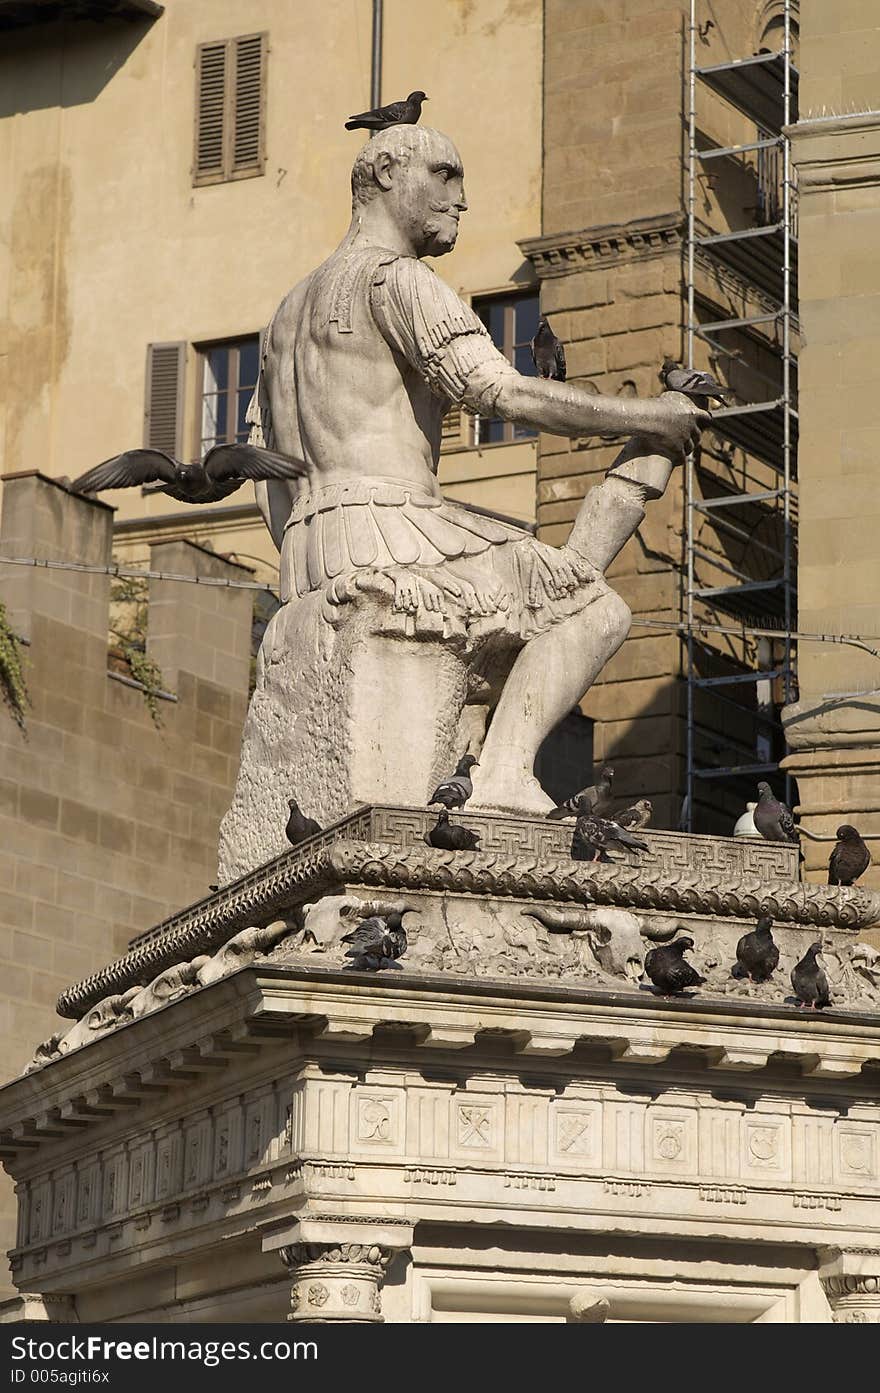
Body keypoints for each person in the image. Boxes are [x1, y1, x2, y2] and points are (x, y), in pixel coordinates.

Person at [247, 124, 706, 815]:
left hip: (311, 552)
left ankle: (480, 757)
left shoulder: (284, 316)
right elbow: (500, 393)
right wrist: (649, 420)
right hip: (394, 533)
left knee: (550, 586)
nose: (461, 198)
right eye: (444, 174)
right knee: (596, 609)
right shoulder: (397, 281)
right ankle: (503, 775)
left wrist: (307, 556)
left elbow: (264, 476)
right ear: (384, 175)